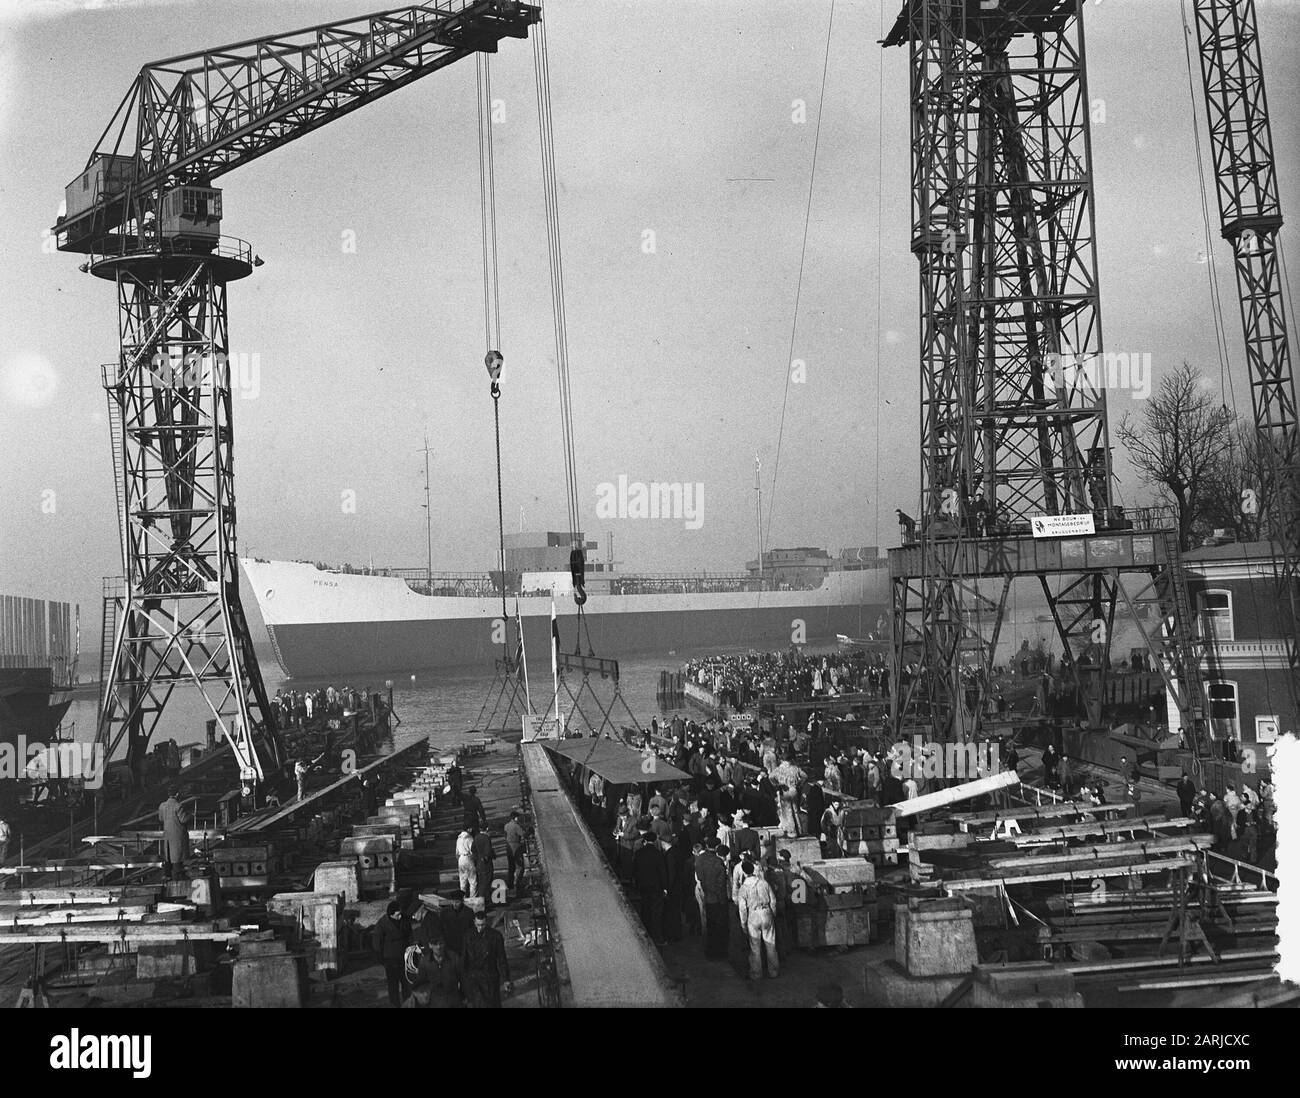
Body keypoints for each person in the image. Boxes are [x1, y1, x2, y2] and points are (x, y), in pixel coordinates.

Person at [736, 859, 779, 980]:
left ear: (744, 873)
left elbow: (742, 909)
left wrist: (743, 924)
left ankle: (756, 973)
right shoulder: (764, 883)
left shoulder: (743, 888)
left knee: (755, 946)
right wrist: (772, 914)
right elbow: (773, 900)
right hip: (766, 912)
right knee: (771, 944)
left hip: (753, 915)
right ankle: (773, 971)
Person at [462, 910, 511, 1008]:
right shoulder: (468, 936)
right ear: (474, 922)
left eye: (483, 925)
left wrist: (506, 979)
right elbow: (464, 958)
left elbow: (501, 958)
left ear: (487, 922)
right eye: (478, 925)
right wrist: (463, 978)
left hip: (490, 978)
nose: (480, 928)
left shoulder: (495, 936)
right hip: (474, 978)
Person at [632, 823, 670, 943]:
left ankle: (644, 934)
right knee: (656, 912)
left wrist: (637, 883)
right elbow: (663, 873)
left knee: (645, 909)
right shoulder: (659, 854)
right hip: (656, 887)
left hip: (643, 886)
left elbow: (635, 870)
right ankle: (657, 937)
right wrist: (665, 887)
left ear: (644, 841)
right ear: (654, 841)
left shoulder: (639, 853)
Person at [404, 937, 465, 1008]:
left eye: (441, 944)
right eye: (435, 944)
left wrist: (463, 996)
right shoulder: (425, 962)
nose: (438, 947)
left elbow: (463, 978)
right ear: (430, 945)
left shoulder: (454, 958)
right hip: (434, 1001)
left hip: (453, 999)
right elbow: (420, 982)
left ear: (444, 944)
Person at [695, 839, 730, 959]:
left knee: (709, 924)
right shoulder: (718, 862)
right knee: (720, 926)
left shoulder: (700, 859)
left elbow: (699, 876)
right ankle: (719, 952)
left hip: (705, 893)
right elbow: (721, 884)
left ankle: (710, 950)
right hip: (717, 898)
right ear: (717, 847)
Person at [373, 900, 409, 1008]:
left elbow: (409, 935)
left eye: (400, 914)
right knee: (393, 985)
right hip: (390, 959)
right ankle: (395, 1005)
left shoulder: (404, 920)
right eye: (397, 915)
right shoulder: (382, 923)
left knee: (406, 984)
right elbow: (376, 942)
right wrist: (381, 959)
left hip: (404, 958)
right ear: (391, 914)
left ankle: (408, 1004)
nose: (400, 917)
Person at [158, 789, 189, 881]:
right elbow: (183, 819)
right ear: (177, 794)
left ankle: (167, 874)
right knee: (177, 856)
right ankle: (178, 876)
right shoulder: (178, 806)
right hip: (177, 834)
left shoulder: (162, 805)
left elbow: (161, 819)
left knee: (168, 855)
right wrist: (190, 816)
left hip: (167, 834)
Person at [438, 891, 474, 955]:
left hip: (464, 944)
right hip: (449, 944)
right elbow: (440, 929)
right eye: (453, 901)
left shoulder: (469, 912)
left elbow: (472, 929)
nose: (454, 904)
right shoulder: (444, 912)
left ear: (462, 901)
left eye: (457, 902)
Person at [504, 810, 527, 895]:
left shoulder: (506, 825)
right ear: (515, 818)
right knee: (520, 867)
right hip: (516, 846)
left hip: (508, 847)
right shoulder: (516, 826)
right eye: (517, 817)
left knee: (511, 867)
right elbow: (524, 834)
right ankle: (517, 884)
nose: (518, 818)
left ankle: (510, 885)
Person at [471, 827, 494, 902]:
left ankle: (484, 899)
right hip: (486, 864)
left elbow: (472, 849)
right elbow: (488, 850)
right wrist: (486, 857)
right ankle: (484, 900)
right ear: (487, 828)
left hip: (478, 863)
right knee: (486, 882)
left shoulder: (476, 837)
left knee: (480, 882)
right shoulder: (486, 838)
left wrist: (477, 857)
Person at [455, 829, 476, 898]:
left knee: (462, 881)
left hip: (461, 859)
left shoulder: (459, 838)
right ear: (469, 828)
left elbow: (456, 853)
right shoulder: (469, 838)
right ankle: (472, 899)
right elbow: (473, 851)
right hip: (468, 858)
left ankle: (462, 899)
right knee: (473, 882)